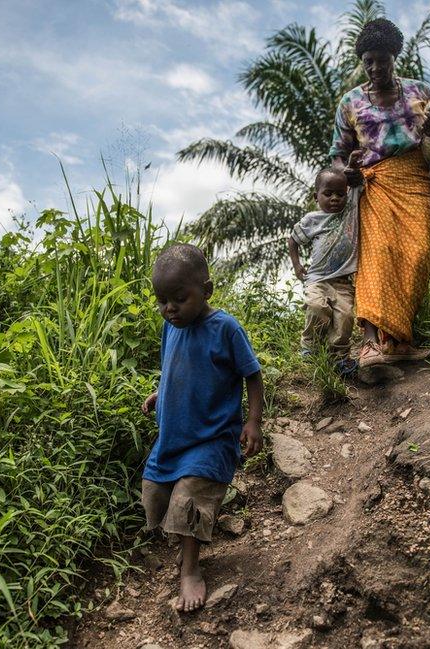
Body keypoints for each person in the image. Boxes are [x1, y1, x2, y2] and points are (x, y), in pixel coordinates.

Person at [140, 243, 264, 613]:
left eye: (179, 298)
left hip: (212, 438)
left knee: (187, 500)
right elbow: (173, 366)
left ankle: (191, 569)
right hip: (174, 437)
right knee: (155, 495)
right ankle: (186, 542)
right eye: (162, 301)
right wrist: (159, 393)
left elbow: (252, 374)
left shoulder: (224, 327)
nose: (169, 309)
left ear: (206, 291)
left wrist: (253, 421)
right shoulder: (171, 327)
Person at [329, 17, 430, 370]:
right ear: (362, 62)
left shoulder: (420, 91)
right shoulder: (349, 102)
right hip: (375, 182)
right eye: (369, 60)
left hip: (416, 179)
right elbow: (337, 153)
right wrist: (346, 173)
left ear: (394, 57)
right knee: (377, 258)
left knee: (419, 252)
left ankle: (397, 341)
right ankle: (369, 346)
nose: (376, 67)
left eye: (382, 59)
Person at [288, 150, 364, 376]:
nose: (334, 198)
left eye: (340, 194)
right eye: (328, 193)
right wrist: (297, 265)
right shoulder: (312, 220)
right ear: (316, 197)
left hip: (343, 282)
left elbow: (356, 182)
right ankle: (310, 347)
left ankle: (339, 357)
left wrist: (351, 165)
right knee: (317, 307)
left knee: (345, 316)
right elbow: (293, 240)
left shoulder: (350, 209)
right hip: (317, 279)